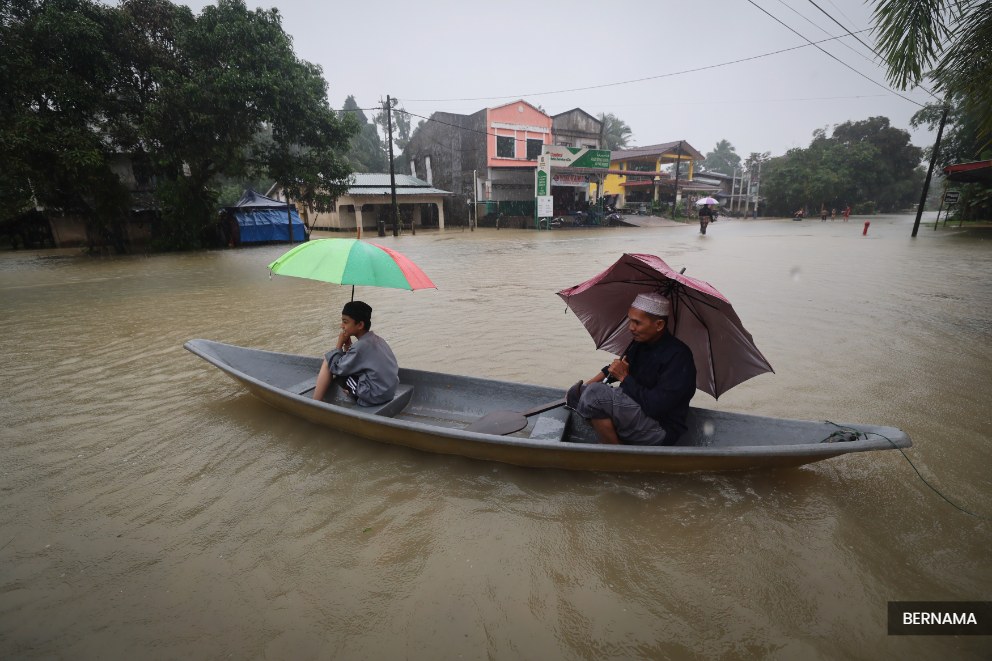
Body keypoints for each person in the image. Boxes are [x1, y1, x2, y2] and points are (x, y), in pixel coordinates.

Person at [566, 293, 696, 446]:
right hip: (635, 410)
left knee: (595, 394)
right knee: (579, 394)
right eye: (630, 320)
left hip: (659, 427)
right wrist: (583, 389)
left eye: (637, 323)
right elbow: (616, 369)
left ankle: (615, 451)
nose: (631, 328)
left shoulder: (679, 356)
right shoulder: (640, 344)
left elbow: (656, 407)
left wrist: (624, 378)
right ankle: (617, 441)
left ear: (659, 325)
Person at [313, 301, 399, 407]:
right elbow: (362, 358)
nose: (342, 326)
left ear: (360, 325)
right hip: (388, 392)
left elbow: (336, 367)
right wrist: (349, 347)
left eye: (345, 322)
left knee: (328, 361)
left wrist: (339, 344)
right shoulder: (378, 340)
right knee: (343, 360)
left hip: (374, 396)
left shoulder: (360, 347)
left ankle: (315, 403)